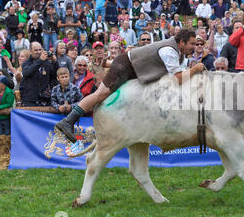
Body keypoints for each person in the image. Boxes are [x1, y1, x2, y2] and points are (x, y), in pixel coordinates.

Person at [56, 29, 203, 142]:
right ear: (182, 42)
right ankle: (68, 121)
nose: (194, 47)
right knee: (100, 95)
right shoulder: (170, 51)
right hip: (124, 67)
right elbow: (176, 79)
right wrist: (195, 69)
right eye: (192, 44)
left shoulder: (176, 50)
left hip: (131, 68)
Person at [19, 42, 58, 107]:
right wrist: (40, 61)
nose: (39, 52)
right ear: (30, 51)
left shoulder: (47, 62)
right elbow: (27, 73)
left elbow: (55, 75)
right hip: (30, 100)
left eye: (40, 50)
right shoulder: (26, 63)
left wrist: (55, 62)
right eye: (36, 50)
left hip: (45, 99)